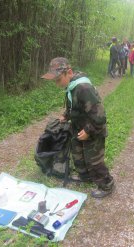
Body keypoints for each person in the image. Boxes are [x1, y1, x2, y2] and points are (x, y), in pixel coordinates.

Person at [41, 57, 115, 198]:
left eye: (58, 79)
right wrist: (66, 115)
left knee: (93, 160)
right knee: (78, 154)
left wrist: (88, 131)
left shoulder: (83, 88)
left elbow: (100, 116)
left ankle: (106, 184)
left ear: (69, 72)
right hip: (78, 128)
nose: (56, 84)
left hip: (93, 130)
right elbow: (74, 106)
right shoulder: (71, 86)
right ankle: (85, 176)